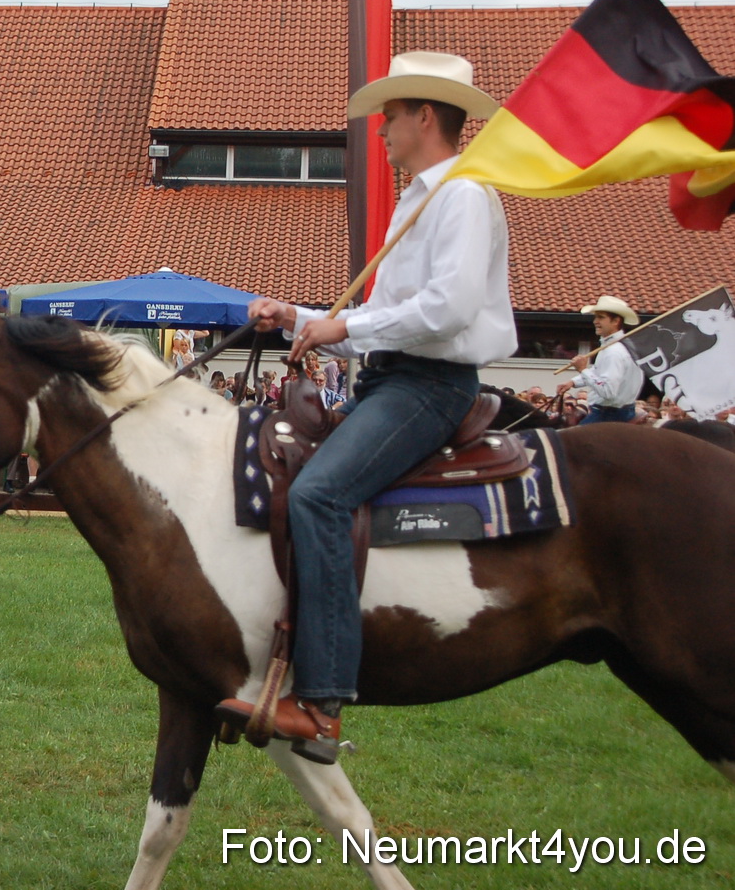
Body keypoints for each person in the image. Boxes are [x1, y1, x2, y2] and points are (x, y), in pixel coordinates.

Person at [216, 52, 516, 763]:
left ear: (424, 116)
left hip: (430, 387)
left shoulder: (464, 195)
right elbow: (386, 318)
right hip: (393, 378)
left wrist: (342, 327)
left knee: (319, 495)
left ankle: (320, 704)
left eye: (390, 114)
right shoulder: (417, 199)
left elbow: (446, 310)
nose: (379, 128)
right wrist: (298, 318)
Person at [559, 296, 643, 424]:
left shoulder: (613, 352)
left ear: (615, 321)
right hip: (621, 410)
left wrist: (583, 370)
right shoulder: (622, 345)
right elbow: (599, 372)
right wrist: (573, 382)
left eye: (601, 317)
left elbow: (608, 391)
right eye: (595, 317)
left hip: (609, 413)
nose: (595, 321)